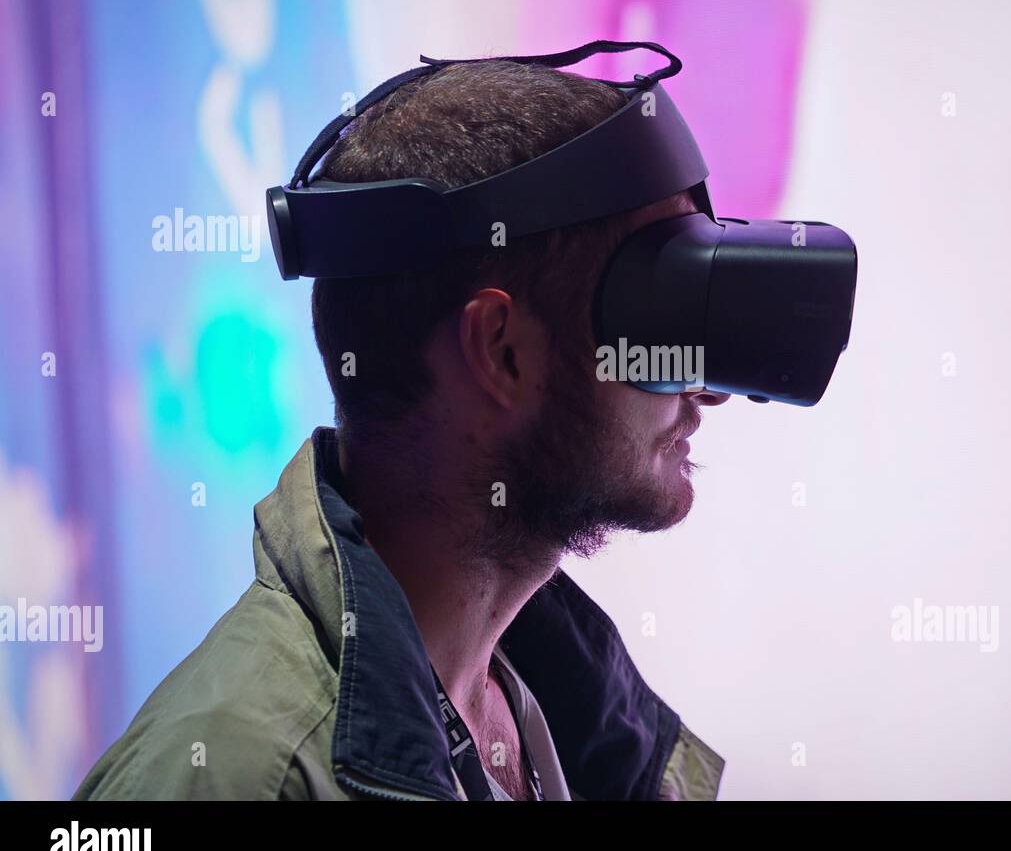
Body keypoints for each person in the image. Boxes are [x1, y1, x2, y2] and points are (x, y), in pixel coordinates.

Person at [73, 57, 727, 801]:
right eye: (655, 320)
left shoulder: (571, 730)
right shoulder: (231, 774)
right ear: (502, 351)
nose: (705, 390)